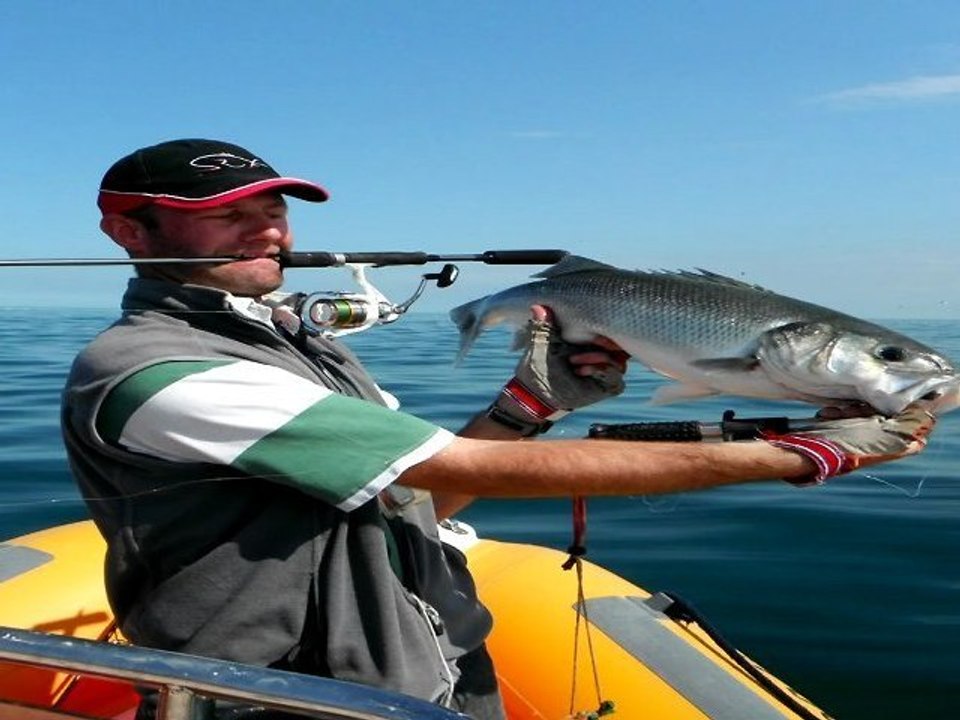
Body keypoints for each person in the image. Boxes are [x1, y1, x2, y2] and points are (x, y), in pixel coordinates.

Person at [62, 138, 936, 720]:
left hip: (416, 666)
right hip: (291, 698)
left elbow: (421, 495)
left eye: (275, 210)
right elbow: (470, 466)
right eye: (227, 213)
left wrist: (530, 405)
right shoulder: (156, 370)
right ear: (129, 228)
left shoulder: (300, 348)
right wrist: (801, 454)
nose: (268, 229)